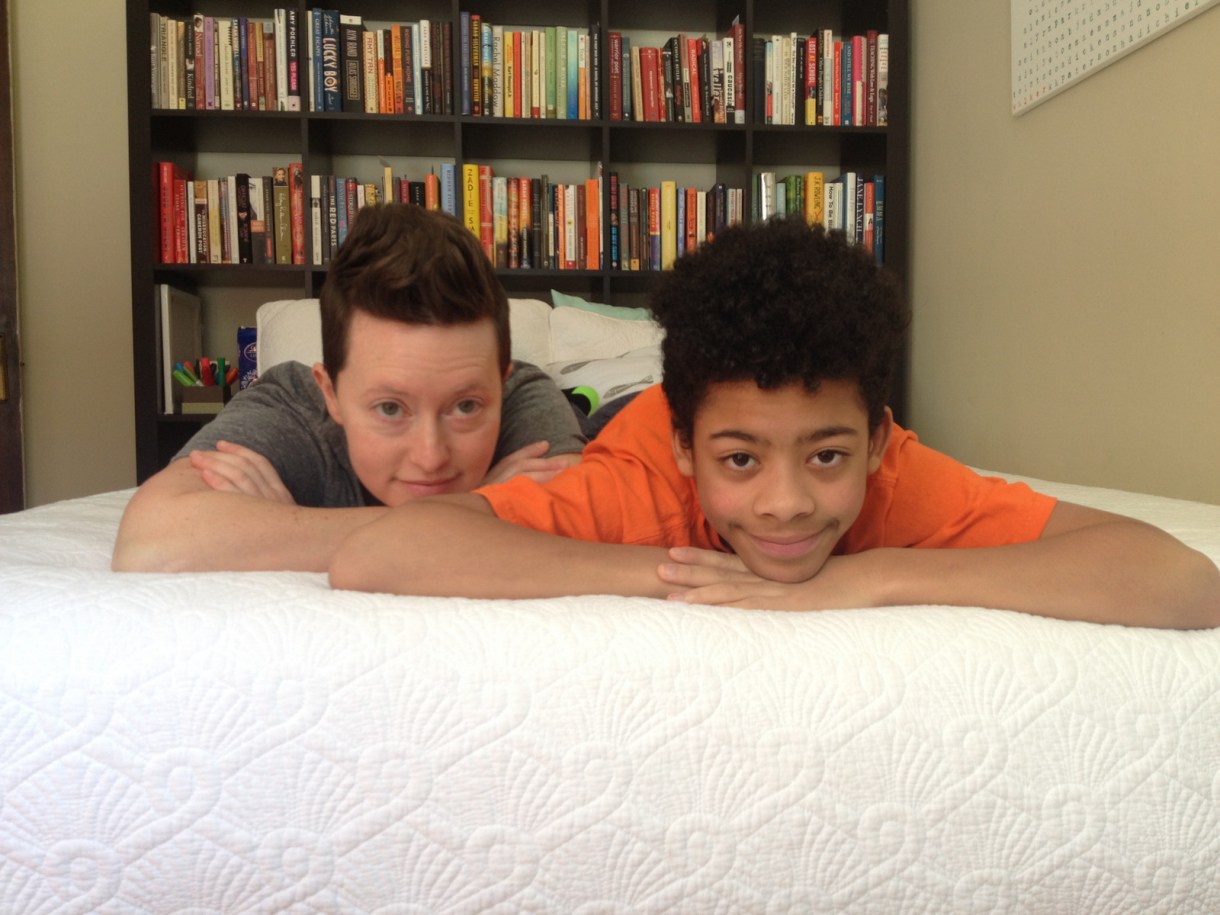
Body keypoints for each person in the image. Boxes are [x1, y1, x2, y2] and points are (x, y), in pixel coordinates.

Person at [328, 217, 1220, 628]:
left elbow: (1186, 580)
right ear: (686, 448)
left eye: (827, 454)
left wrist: (870, 579)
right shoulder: (641, 479)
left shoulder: (899, 478)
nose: (786, 502)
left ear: (878, 440)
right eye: (740, 460)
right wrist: (666, 573)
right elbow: (379, 554)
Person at [113, 204, 585, 573]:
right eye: (390, 408)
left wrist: (289, 531)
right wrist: (482, 509)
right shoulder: (291, 406)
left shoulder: (522, 393)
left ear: (500, 383)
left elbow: (585, 526)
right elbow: (149, 544)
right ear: (331, 394)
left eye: (465, 406)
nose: (430, 457)